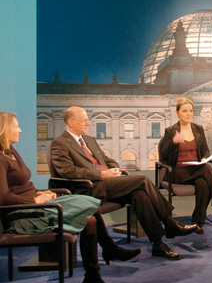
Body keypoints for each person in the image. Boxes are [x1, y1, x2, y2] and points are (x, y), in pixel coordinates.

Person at [0, 112, 128, 283]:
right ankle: (100, 265)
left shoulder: (10, 151)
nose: (20, 130)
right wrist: (34, 200)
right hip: (21, 215)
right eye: (16, 126)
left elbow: (22, 187)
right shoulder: (0, 158)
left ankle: (94, 274)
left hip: (34, 204)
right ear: (4, 130)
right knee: (88, 213)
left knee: (89, 207)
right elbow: (3, 197)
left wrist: (39, 193)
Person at [50, 106, 197, 261]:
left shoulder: (89, 140)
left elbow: (107, 160)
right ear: (71, 122)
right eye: (85, 120)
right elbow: (67, 171)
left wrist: (114, 169)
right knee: (142, 179)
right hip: (89, 188)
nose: (88, 123)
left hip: (108, 183)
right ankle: (169, 222)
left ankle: (158, 244)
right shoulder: (59, 143)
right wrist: (101, 174)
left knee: (139, 195)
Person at [158, 98, 212, 234]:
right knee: (206, 169)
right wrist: (174, 142)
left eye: (190, 111)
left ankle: (197, 222)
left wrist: (203, 158)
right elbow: (164, 156)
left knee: (203, 184)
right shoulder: (170, 131)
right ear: (177, 113)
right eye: (184, 111)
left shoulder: (198, 129)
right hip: (177, 172)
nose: (188, 114)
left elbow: (205, 150)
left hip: (196, 170)